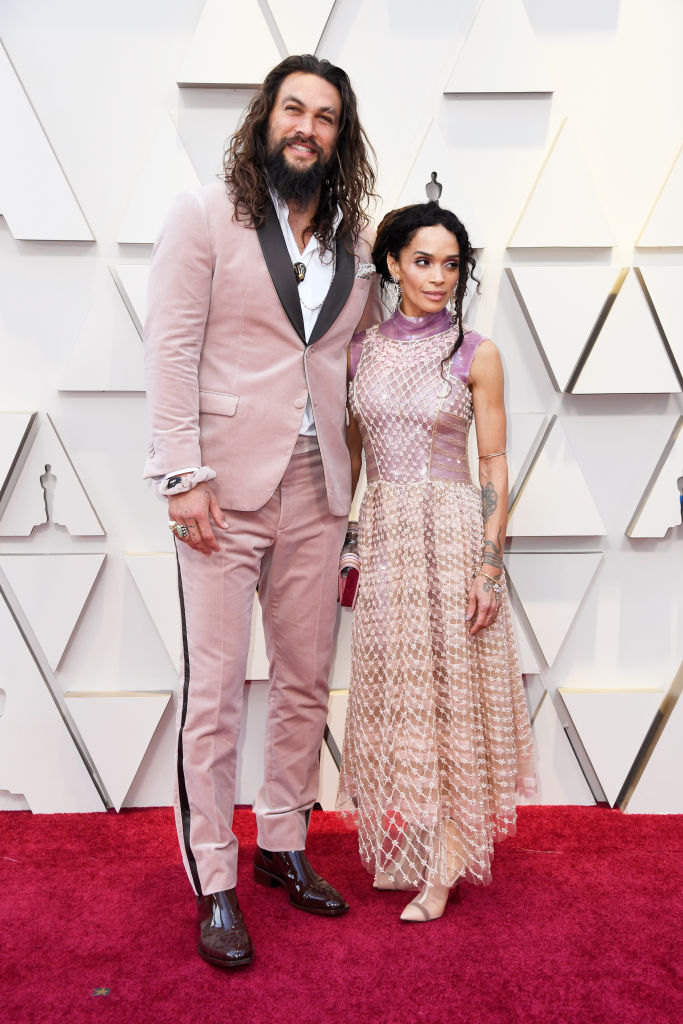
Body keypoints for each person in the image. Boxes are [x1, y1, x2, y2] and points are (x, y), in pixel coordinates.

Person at [143, 54, 379, 967]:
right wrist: (180, 475)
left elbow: (343, 371)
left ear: (338, 136)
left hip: (318, 493)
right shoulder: (207, 214)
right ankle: (213, 877)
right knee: (214, 692)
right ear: (265, 117)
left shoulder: (353, 244)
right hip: (221, 491)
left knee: (303, 680)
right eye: (293, 108)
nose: (306, 128)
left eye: (324, 116)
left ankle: (282, 842)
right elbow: (170, 351)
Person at [337, 201, 535, 923]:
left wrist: (488, 565)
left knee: (452, 696)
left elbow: (492, 461)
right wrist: (347, 542)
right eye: (422, 261)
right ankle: (416, 842)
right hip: (388, 536)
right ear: (390, 264)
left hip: (451, 535)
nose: (438, 277)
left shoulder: (474, 351)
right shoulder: (360, 351)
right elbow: (353, 457)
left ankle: (447, 858)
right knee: (404, 693)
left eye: (451, 263)